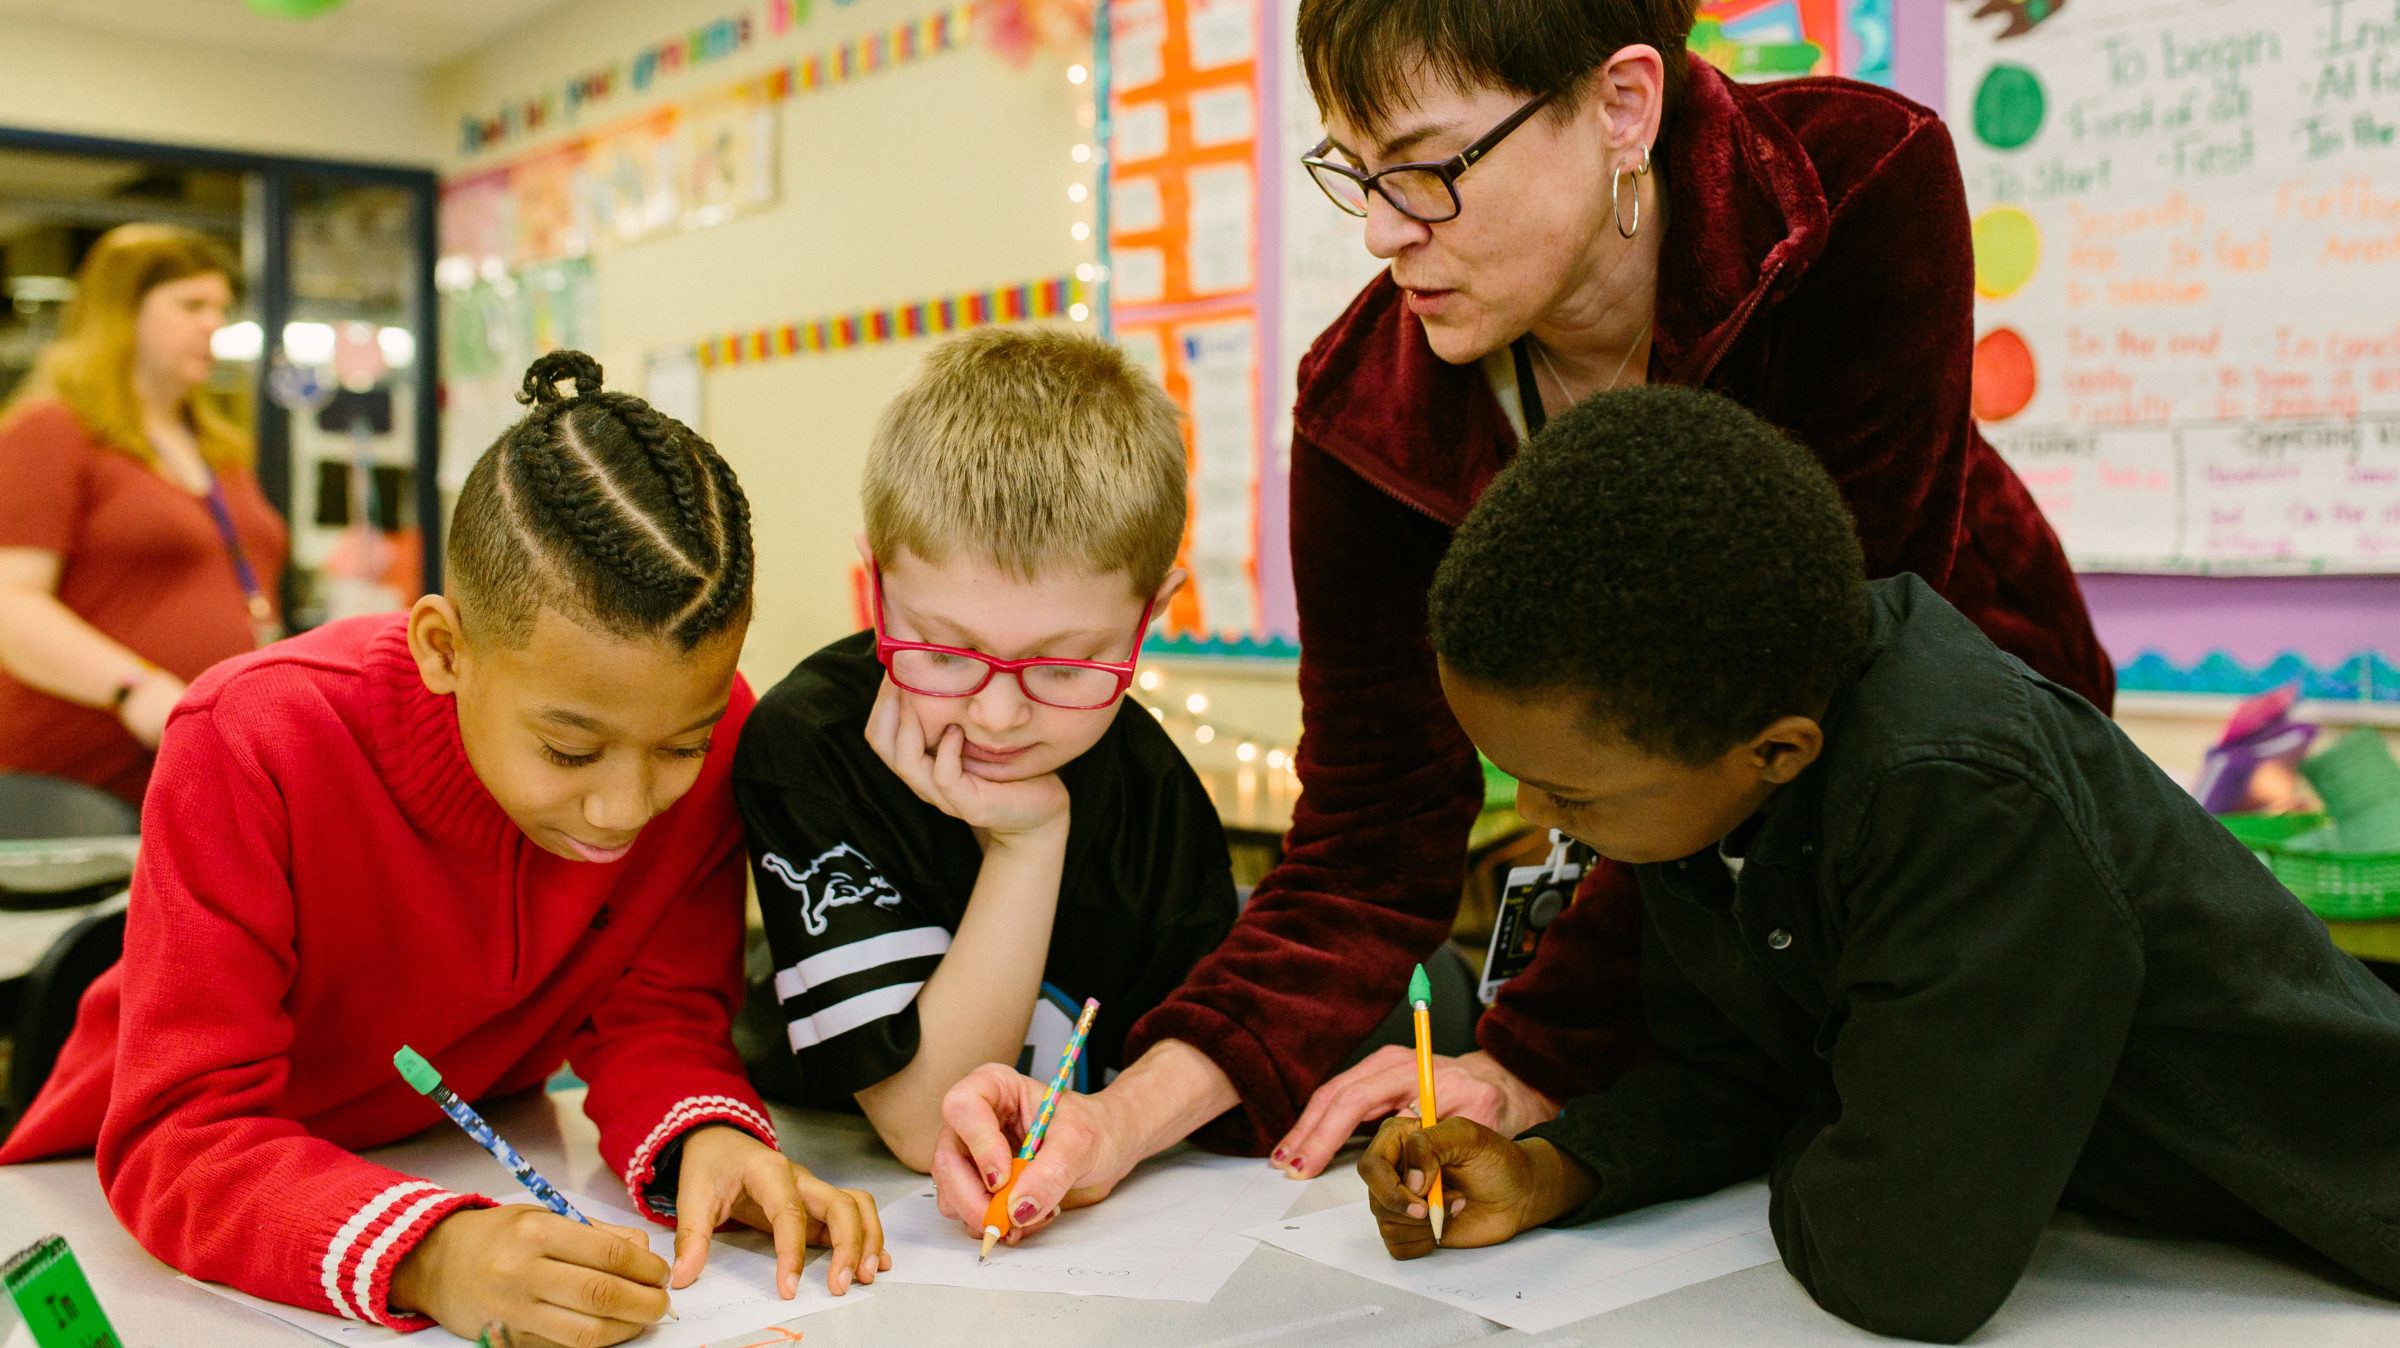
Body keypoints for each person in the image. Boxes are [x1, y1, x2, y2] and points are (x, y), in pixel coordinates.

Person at [932, 0, 2120, 1230]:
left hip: (1965, 828)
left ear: (1621, 106)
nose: (1388, 232)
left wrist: (1536, 1051)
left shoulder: (1847, 192)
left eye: (1432, 170)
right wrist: (1118, 1117)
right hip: (1695, 936)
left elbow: (1827, 675)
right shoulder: (1363, 416)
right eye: (1358, 171)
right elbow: (1366, 848)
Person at [1358, 384, 2400, 1343]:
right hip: (2156, 1257)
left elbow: (1905, 1264)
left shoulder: (1956, 794)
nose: (1542, 819)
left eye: (1572, 796)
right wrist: (1551, 1171)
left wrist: (1836, 1121)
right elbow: (1731, 1076)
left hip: (2334, 1256)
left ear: (1776, 749)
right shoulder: (1712, 758)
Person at [0, 352, 885, 1346]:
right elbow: (177, 1135)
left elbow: (659, 1015)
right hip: (118, 1224)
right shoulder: (251, 739)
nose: (623, 806)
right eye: (569, 747)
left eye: (679, 746)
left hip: (439, 1157)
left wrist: (708, 1135)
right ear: (441, 648)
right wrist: (430, 1254)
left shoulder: (718, 735)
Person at [735, 328, 1237, 1184]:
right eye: (943, 650)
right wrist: (1028, 841)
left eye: (1066, 664)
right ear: (874, 590)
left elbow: (1201, 1075)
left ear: (1152, 615)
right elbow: (928, 1124)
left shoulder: (1157, 792)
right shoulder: (810, 748)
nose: (999, 715)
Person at [0, 223, 287, 805]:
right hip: (81, 784)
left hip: (211, 765)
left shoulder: (217, 447)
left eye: (220, 308)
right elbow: (11, 603)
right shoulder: (53, 431)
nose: (214, 324)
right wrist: (136, 689)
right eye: (190, 305)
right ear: (123, 312)